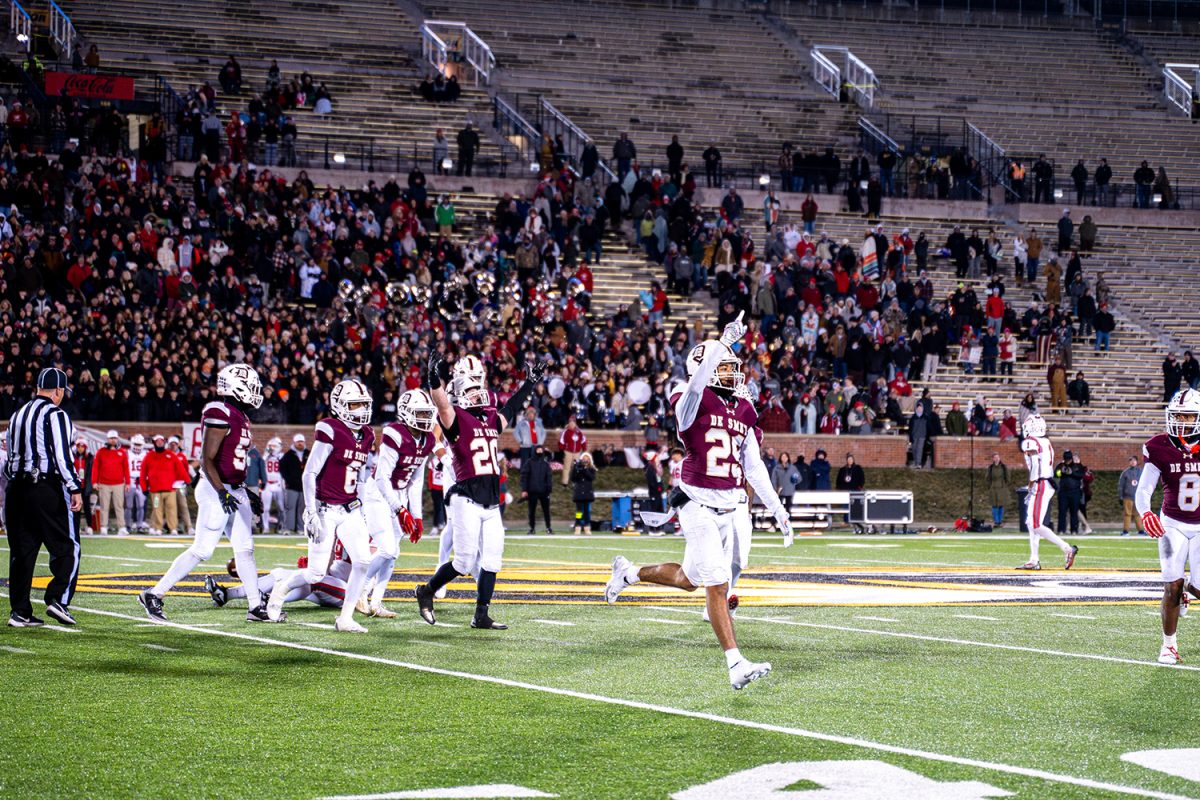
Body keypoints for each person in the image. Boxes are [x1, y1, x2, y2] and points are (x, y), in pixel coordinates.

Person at [605, 315, 793, 690]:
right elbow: (692, 390)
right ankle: (735, 664)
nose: (732, 373)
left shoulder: (740, 409)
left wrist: (779, 510)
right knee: (719, 584)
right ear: (704, 371)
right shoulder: (690, 398)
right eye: (723, 366)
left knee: (689, 580)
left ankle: (628, 573)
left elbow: (754, 468)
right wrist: (721, 344)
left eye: (731, 366)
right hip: (695, 504)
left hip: (727, 507)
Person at [414, 354, 545, 630]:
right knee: (462, 562)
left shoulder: (488, 419)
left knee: (493, 559)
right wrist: (433, 378)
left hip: (490, 502)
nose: (477, 393)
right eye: (471, 389)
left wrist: (529, 384)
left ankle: (481, 614)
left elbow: (511, 408)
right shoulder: (456, 419)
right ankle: (426, 591)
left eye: (478, 387)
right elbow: (441, 403)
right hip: (466, 499)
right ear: (460, 391)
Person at [139, 365, 267, 623]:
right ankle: (154, 594)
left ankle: (255, 607)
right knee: (203, 549)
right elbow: (206, 460)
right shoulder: (219, 411)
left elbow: (233, 462)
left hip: (233, 489)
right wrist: (222, 492)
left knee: (245, 549)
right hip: (214, 488)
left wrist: (245, 493)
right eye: (251, 387)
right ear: (236, 387)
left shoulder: (240, 416)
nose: (255, 392)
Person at [266, 380, 375, 632]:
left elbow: (359, 475)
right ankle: (281, 588)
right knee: (315, 574)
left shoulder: (367, 434)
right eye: (355, 404)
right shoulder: (330, 428)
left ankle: (345, 618)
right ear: (340, 406)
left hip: (350, 508)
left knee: (362, 562)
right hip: (326, 509)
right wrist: (311, 511)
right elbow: (309, 473)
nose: (361, 410)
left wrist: (363, 505)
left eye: (363, 404)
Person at [4, 368, 84, 627]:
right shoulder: (56, 414)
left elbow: (9, 460)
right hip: (44, 487)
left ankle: (20, 612)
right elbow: (62, 456)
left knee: (22, 552)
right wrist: (74, 487)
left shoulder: (17, 415)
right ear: (58, 391)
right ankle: (58, 599)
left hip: (15, 489)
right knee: (68, 546)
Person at [357, 388, 437, 619]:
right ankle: (360, 591)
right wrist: (400, 509)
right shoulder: (395, 433)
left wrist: (417, 515)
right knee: (387, 548)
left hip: (398, 495)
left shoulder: (428, 438)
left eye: (426, 413)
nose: (424, 418)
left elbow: (416, 480)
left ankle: (376, 603)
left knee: (393, 553)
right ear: (406, 413)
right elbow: (382, 477)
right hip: (379, 495)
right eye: (419, 413)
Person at [1136, 388, 1200, 664]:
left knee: (1198, 587)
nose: (1181, 421)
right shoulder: (1159, 446)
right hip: (1171, 523)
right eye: (1177, 415)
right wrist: (1145, 511)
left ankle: (1190, 589)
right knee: (1171, 584)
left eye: (1187, 415)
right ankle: (1169, 645)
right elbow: (1144, 488)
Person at [1017, 413, 1078, 571]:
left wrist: (1031, 485)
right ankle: (1034, 559)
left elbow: (1036, 467)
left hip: (1040, 483)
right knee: (1031, 523)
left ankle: (1067, 548)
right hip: (1046, 482)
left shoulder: (1031, 441)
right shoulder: (1045, 440)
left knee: (1036, 524)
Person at [91, 429, 129, 535]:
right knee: (104, 506)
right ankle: (104, 527)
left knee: (119, 506)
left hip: (119, 483)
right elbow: (95, 468)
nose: (113, 440)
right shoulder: (101, 452)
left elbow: (126, 468)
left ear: (117, 439)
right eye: (111, 438)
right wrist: (94, 481)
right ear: (107, 439)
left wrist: (128, 483)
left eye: (115, 438)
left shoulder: (122, 452)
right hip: (104, 483)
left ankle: (121, 527)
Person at [140, 434, 179, 536]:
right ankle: (158, 528)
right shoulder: (149, 456)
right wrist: (144, 487)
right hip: (155, 491)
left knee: (171, 509)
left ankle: (173, 528)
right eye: (158, 441)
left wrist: (186, 480)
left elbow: (180, 469)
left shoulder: (171, 455)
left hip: (170, 489)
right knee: (157, 509)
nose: (160, 443)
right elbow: (143, 473)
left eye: (161, 441)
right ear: (154, 443)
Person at [521, 444, 553, 536]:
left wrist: (549, 489)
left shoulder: (545, 464)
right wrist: (524, 489)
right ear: (534, 451)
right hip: (532, 492)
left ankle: (548, 528)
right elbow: (524, 476)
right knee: (531, 511)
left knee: (546, 511)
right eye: (537, 450)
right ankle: (532, 528)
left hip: (544, 492)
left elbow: (549, 477)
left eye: (541, 450)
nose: (539, 451)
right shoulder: (529, 462)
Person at [279, 433, 307, 535]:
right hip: (291, 487)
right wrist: (289, 480)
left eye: (302, 441)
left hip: (304, 487)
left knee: (302, 509)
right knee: (290, 508)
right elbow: (282, 469)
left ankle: (301, 528)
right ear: (294, 443)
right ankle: (288, 528)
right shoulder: (288, 455)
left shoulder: (308, 454)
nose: (300, 444)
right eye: (298, 442)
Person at [166, 436, 194, 535]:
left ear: (178, 444)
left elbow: (186, 469)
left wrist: (187, 481)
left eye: (175, 443)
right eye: (171, 443)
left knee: (183, 506)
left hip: (181, 485)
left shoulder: (182, 456)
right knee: (172, 507)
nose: (173, 445)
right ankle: (174, 527)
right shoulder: (166, 455)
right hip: (170, 486)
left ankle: (189, 527)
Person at [126, 433, 148, 533]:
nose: (137, 446)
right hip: (130, 480)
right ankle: (127, 526)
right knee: (129, 506)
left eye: (139, 444)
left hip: (141, 481)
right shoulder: (127, 453)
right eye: (135, 444)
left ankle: (139, 525)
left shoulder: (146, 454)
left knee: (141, 506)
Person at [571, 452, 596, 536]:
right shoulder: (578, 468)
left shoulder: (591, 469)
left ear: (589, 460)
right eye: (584, 458)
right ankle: (577, 526)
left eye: (587, 458)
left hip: (587, 493)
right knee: (579, 512)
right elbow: (573, 478)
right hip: (579, 493)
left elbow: (591, 477)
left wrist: (585, 469)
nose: (585, 460)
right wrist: (576, 468)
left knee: (587, 512)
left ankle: (587, 527)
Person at [262, 437, 284, 533]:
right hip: (267, 484)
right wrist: (267, 455)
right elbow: (261, 464)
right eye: (271, 446)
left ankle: (281, 525)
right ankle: (266, 527)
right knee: (266, 508)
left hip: (278, 484)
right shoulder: (265, 456)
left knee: (281, 507)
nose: (272, 448)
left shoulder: (282, 456)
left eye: (274, 446)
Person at [558, 414, 588, 487]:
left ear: (575, 423)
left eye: (573, 422)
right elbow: (561, 441)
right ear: (568, 423)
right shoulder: (565, 432)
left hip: (577, 453)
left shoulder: (579, 432)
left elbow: (583, 440)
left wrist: (584, 448)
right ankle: (565, 482)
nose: (572, 424)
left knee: (576, 468)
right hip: (568, 452)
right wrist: (562, 449)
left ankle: (575, 481)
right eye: (570, 422)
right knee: (566, 467)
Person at [72, 438, 93, 535]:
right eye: (79, 446)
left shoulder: (89, 457)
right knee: (76, 507)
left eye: (82, 447)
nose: (80, 449)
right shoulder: (72, 456)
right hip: (76, 486)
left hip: (85, 485)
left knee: (87, 507)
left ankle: (89, 526)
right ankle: (77, 526)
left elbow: (91, 472)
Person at [1118, 456, 1144, 536]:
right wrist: (1120, 496)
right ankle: (1126, 531)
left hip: (1138, 497)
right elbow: (1121, 485)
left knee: (1138, 514)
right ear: (1129, 462)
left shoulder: (1141, 471)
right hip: (1127, 497)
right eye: (1131, 461)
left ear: (1137, 462)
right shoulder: (1125, 472)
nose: (1132, 462)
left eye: (1134, 460)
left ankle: (1141, 531)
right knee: (1127, 514)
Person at [987, 453, 1010, 528]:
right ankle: (996, 522)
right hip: (993, 488)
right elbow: (987, 478)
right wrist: (990, 485)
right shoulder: (990, 467)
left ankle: (1000, 521)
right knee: (994, 505)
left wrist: (1004, 485)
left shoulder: (1003, 467)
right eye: (995, 457)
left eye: (998, 457)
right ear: (993, 459)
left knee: (1001, 505)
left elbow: (1008, 477)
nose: (996, 459)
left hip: (1002, 488)